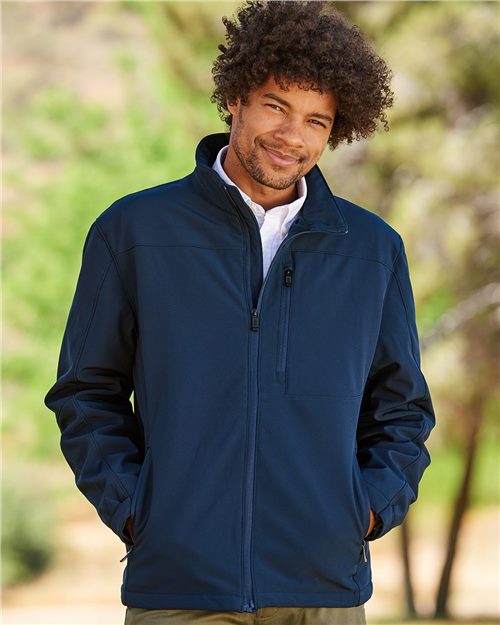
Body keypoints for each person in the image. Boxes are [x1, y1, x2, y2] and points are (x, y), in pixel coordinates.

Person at [45, 2, 435, 624]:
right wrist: (138, 512)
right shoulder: (135, 232)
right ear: (236, 99)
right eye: (276, 106)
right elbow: (86, 392)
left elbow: (403, 407)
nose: (291, 136)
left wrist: (365, 511)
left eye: (315, 120)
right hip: (180, 589)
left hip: (321, 591)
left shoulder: (371, 250)